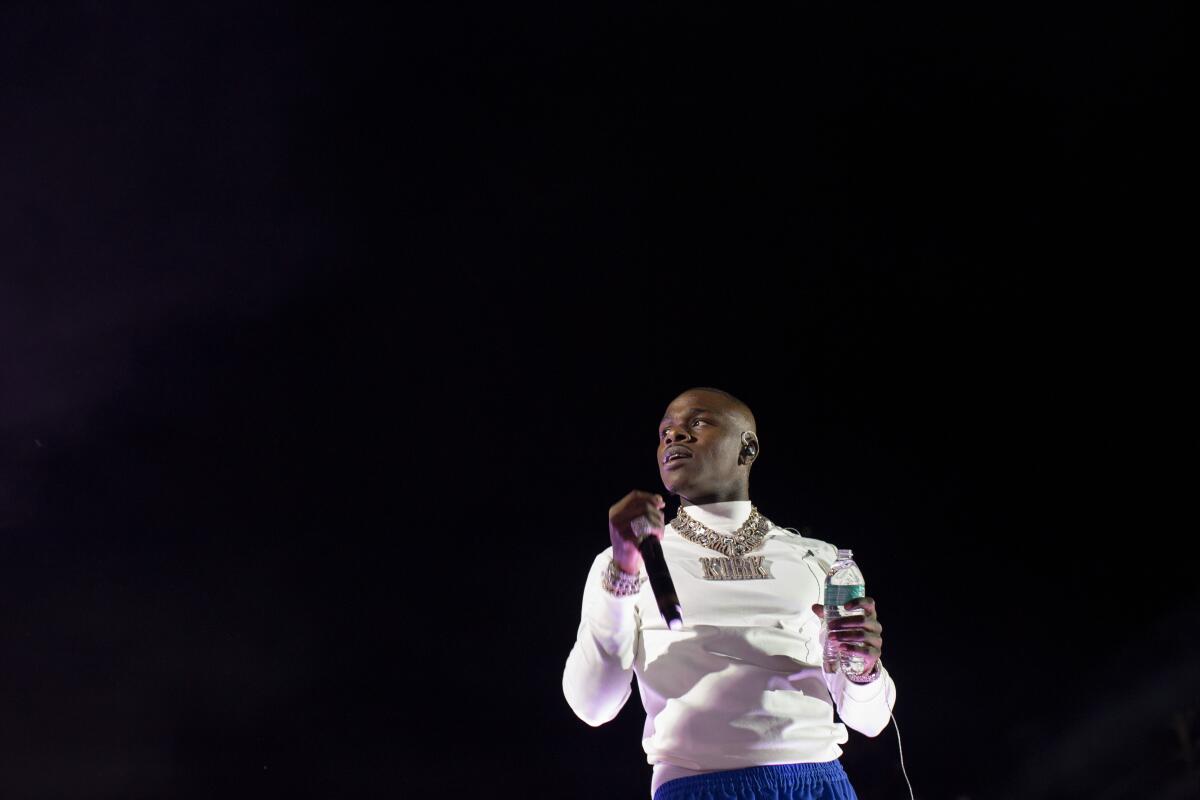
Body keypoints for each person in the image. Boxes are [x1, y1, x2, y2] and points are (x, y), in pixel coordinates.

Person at [562, 387, 897, 800]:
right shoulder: (625, 562)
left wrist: (863, 669)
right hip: (698, 786)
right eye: (665, 431)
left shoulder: (821, 560)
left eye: (696, 423)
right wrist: (622, 576)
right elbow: (593, 707)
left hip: (817, 783)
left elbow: (872, 719)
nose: (674, 436)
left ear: (748, 447)